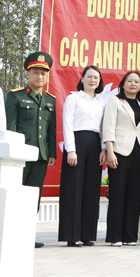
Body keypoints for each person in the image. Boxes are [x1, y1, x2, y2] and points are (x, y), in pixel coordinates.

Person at [6, 51, 57, 249]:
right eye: (35, 72)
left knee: (33, 196)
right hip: (20, 155)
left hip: (41, 156)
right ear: (27, 74)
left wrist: (51, 152)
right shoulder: (15, 96)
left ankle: (27, 234)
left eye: (43, 73)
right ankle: (10, 234)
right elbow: (9, 127)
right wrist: (11, 152)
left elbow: (51, 128)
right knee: (16, 194)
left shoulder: (50, 99)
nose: (39, 77)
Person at [58, 65, 106, 246]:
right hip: (76, 143)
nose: (93, 80)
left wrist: (103, 149)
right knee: (73, 189)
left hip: (95, 145)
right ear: (82, 79)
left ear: (100, 81)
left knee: (91, 190)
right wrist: (71, 150)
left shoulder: (102, 102)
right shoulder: (73, 98)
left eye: (96, 77)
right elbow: (67, 125)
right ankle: (72, 235)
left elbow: (102, 128)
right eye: (89, 77)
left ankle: (87, 234)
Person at [103, 70, 140, 247]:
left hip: (138, 152)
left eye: (137, 81)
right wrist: (110, 152)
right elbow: (108, 127)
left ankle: (130, 236)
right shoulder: (115, 101)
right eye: (130, 81)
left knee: (134, 195)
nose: (133, 84)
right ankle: (115, 236)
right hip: (119, 151)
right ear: (123, 83)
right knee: (117, 194)